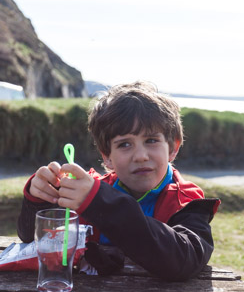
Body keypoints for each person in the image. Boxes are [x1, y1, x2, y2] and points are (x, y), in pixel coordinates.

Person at [17, 81, 220, 281]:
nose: (140, 156)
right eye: (124, 144)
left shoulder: (186, 202)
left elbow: (184, 260)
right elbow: (32, 238)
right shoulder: (90, 192)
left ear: (173, 147)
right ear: (107, 156)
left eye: (151, 140)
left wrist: (100, 201)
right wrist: (39, 199)